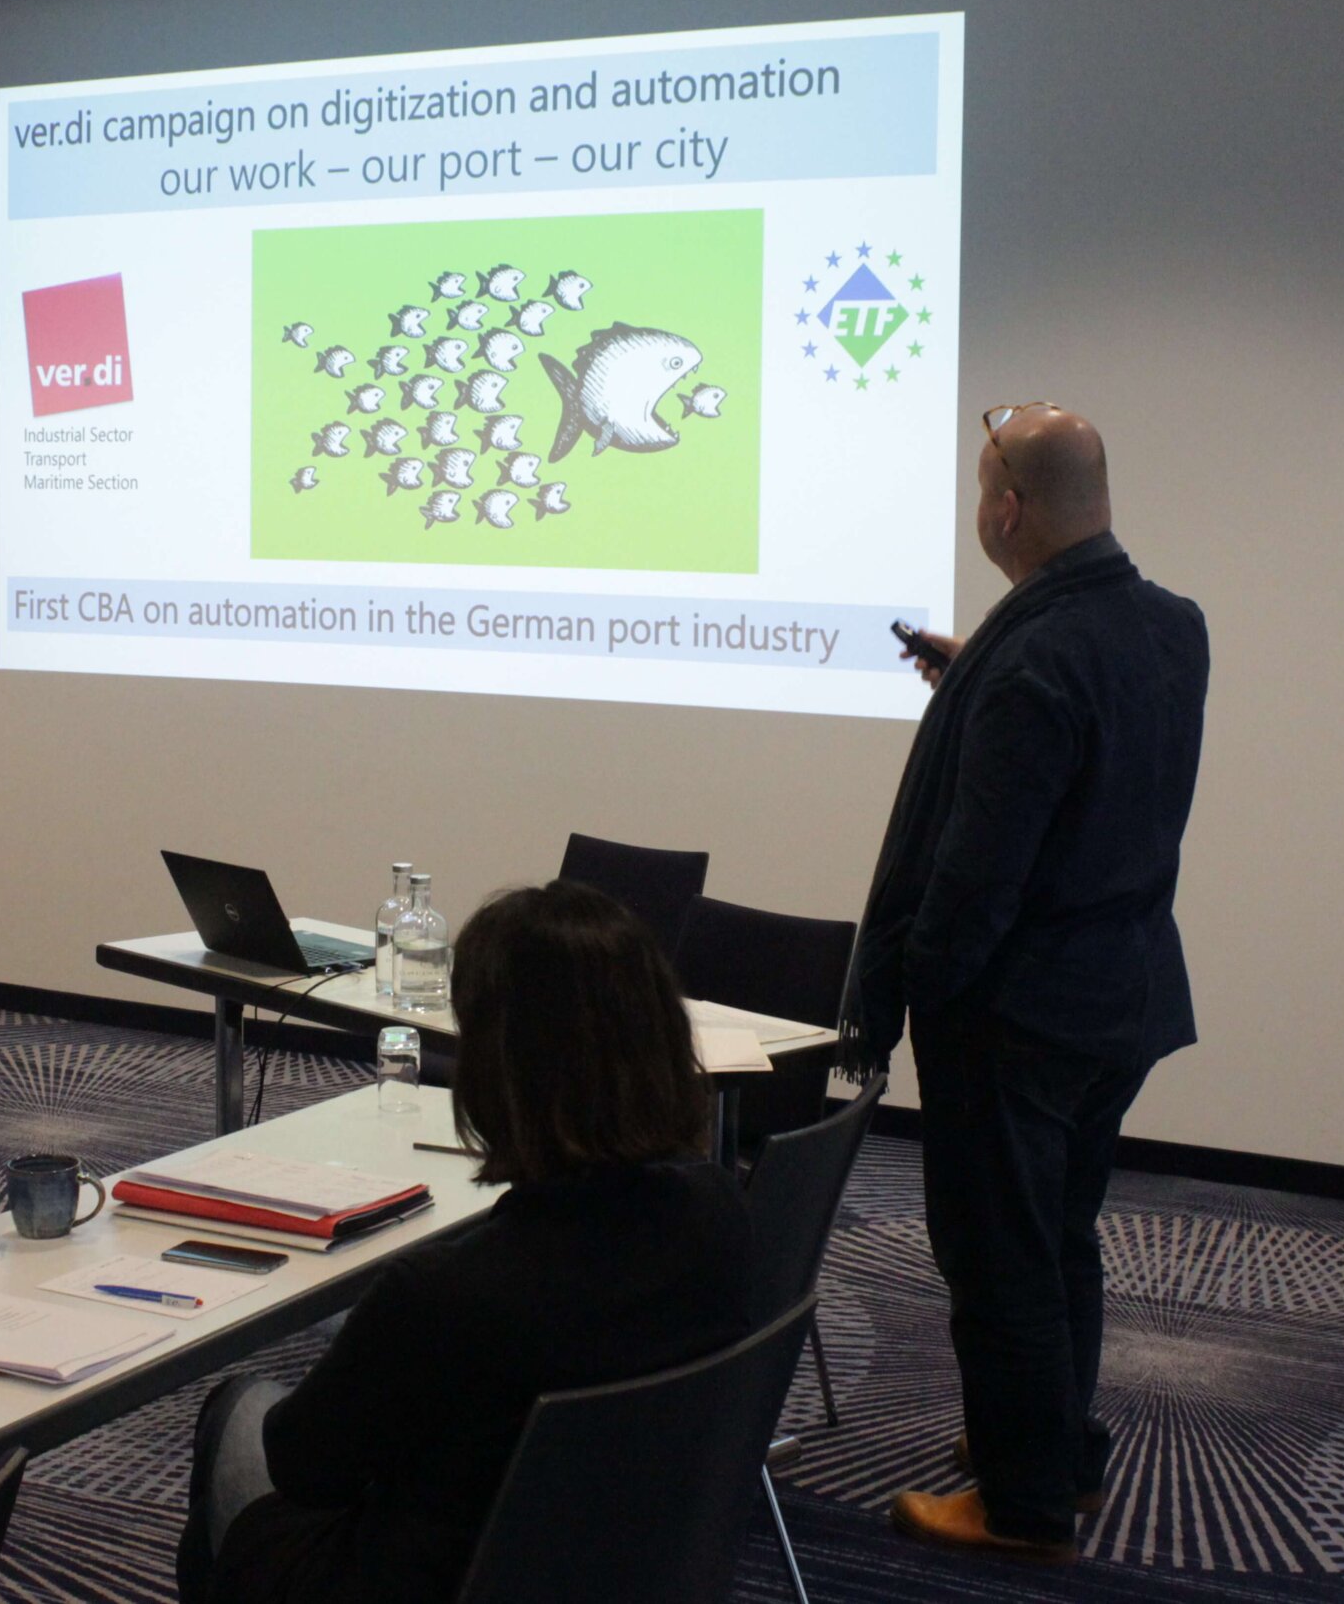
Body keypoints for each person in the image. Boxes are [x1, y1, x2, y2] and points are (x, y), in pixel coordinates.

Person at [177, 878, 755, 1604]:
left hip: (429, 1580)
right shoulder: (722, 1214)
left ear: (495, 1069)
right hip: (632, 1560)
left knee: (238, 1408)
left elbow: (303, 1465)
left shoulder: (444, 1294)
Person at [852, 402, 1210, 1565]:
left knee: (999, 1255)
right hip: (1123, 994)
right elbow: (1097, 742)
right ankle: (1055, 1451)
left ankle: (1020, 1509)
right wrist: (977, 678)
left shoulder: (1033, 662)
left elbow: (974, 884)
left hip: (1017, 1016)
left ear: (1005, 510)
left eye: (977, 492)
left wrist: (921, 991)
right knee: (1059, 1234)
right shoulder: (1169, 625)